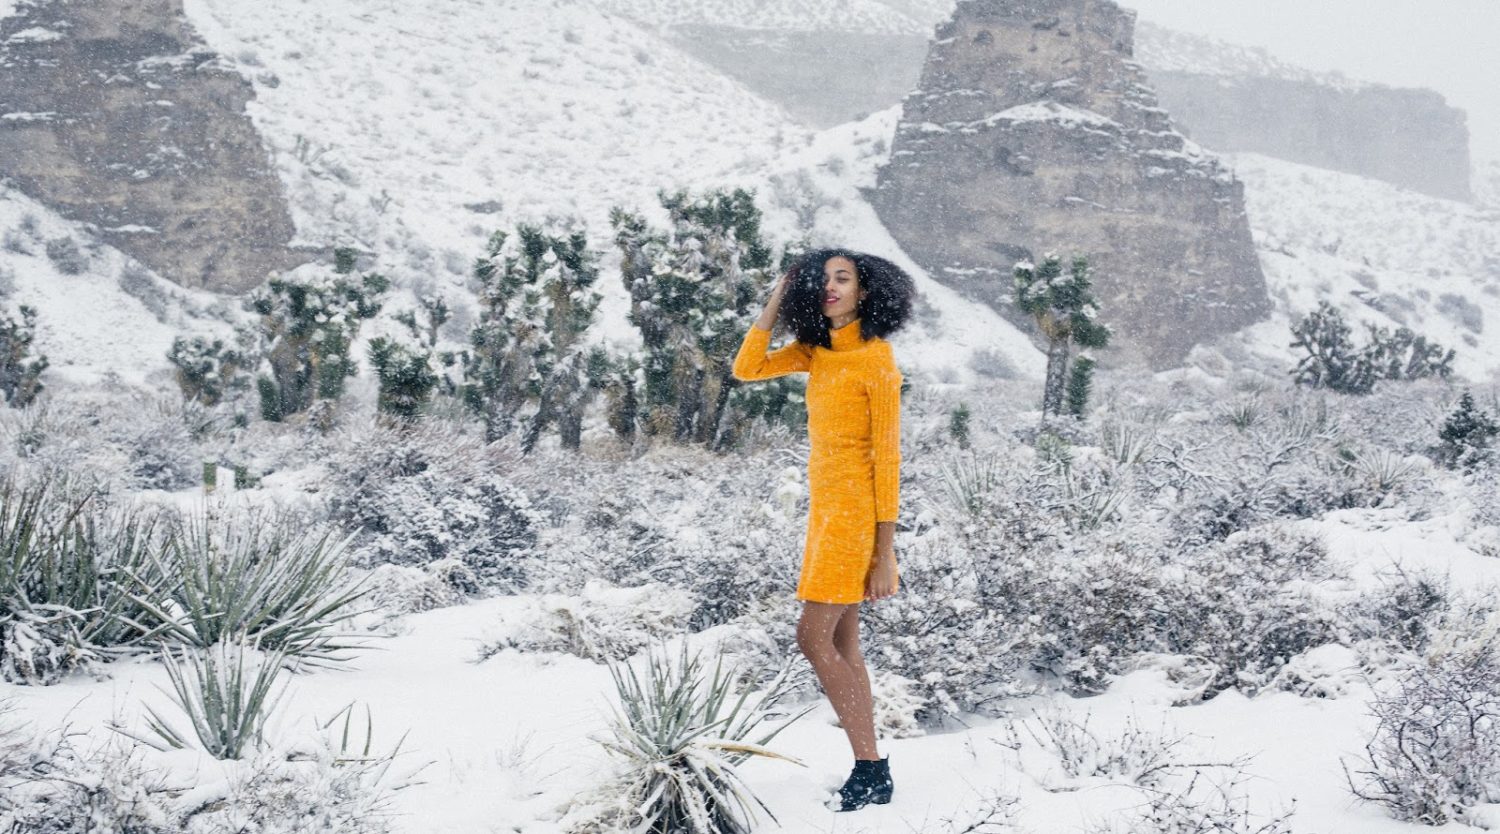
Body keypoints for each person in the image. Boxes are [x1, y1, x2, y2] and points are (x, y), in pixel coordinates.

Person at [730, 248, 915, 812]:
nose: (832, 287)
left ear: (866, 291)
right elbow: (747, 367)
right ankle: (871, 771)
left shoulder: (876, 360)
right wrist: (779, 298)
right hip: (825, 512)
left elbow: (888, 459)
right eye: (824, 279)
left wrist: (886, 552)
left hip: (856, 514)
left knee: (812, 637)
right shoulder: (816, 352)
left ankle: (871, 765)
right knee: (843, 643)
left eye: (845, 279)